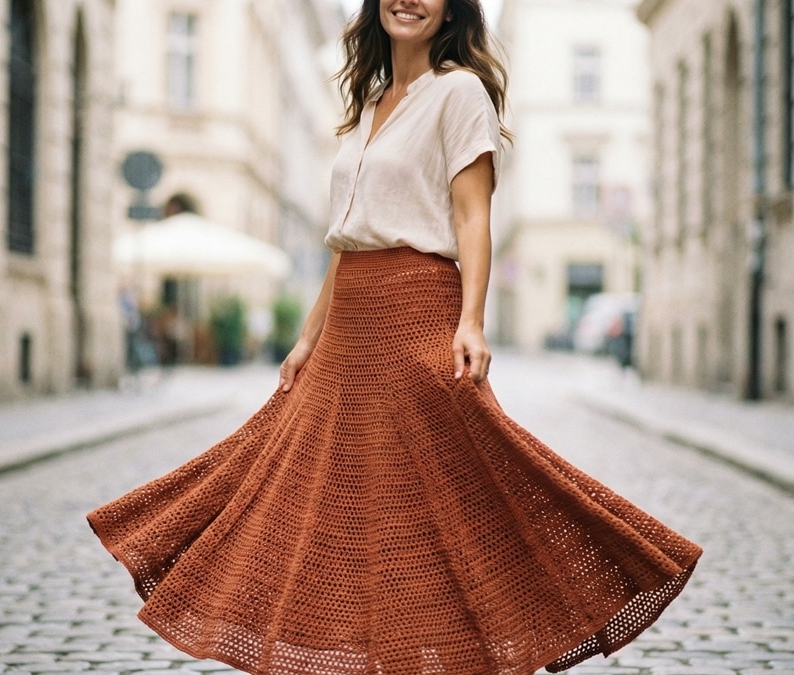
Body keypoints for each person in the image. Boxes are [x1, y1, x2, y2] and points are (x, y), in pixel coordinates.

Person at [87, 1, 702, 673]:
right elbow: (346, 242)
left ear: (451, 9)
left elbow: (472, 216)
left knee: (440, 494)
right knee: (323, 500)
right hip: (348, 329)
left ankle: (470, 637)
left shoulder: (460, 91)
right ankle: (369, 654)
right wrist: (307, 335)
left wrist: (471, 320)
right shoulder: (368, 102)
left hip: (416, 312)